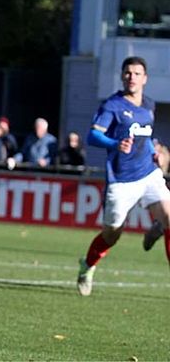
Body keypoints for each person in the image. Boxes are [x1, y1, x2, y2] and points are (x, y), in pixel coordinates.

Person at [77, 56, 170, 296]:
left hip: (148, 174)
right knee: (112, 235)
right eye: (128, 73)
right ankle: (87, 266)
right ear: (122, 76)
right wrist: (115, 143)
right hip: (121, 180)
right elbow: (93, 136)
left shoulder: (148, 105)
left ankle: (160, 225)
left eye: (137, 73)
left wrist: (154, 154)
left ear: (145, 78)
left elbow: (146, 137)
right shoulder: (113, 105)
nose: (132, 77)